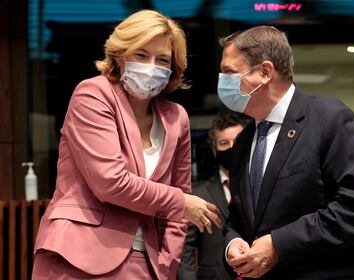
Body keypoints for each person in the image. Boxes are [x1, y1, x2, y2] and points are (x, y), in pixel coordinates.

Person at [32, 10, 222, 280]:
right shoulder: (93, 94)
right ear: (121, 56)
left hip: (146, 263)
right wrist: (181, 202)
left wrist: (167, 263)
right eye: (141, 55)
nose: (151, 66)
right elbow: (110, 182)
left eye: (162, 60)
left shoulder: (176, 117)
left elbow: (180, 198)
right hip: (78, 255)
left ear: (172, 69)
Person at [217, 26, 354, 279]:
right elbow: (239, 217)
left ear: (265, 72)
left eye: (229, 73)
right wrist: (233, 243)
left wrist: (279, 245)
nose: (222, 82)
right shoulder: (243, 140)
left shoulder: (330, 118)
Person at [178, 113, 248, 280]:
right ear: (214, 148)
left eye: (238, 142)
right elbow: (184, 249)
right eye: (224, 143)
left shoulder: (266, 186)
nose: (232, 148)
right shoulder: (198, 195)